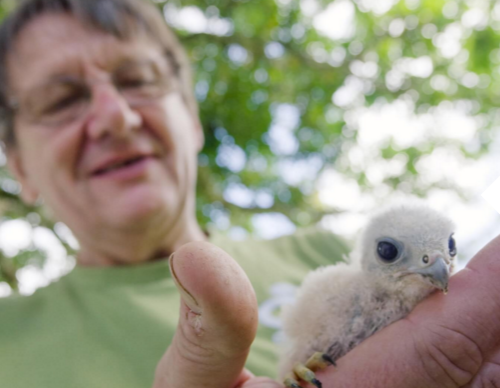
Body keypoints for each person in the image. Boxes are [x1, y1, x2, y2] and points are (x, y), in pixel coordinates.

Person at [0, 0, 498, 387]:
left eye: (137, 80)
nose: (115, 116)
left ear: (190, 117)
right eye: (61, 100)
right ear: (17, 162)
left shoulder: (330, 255)